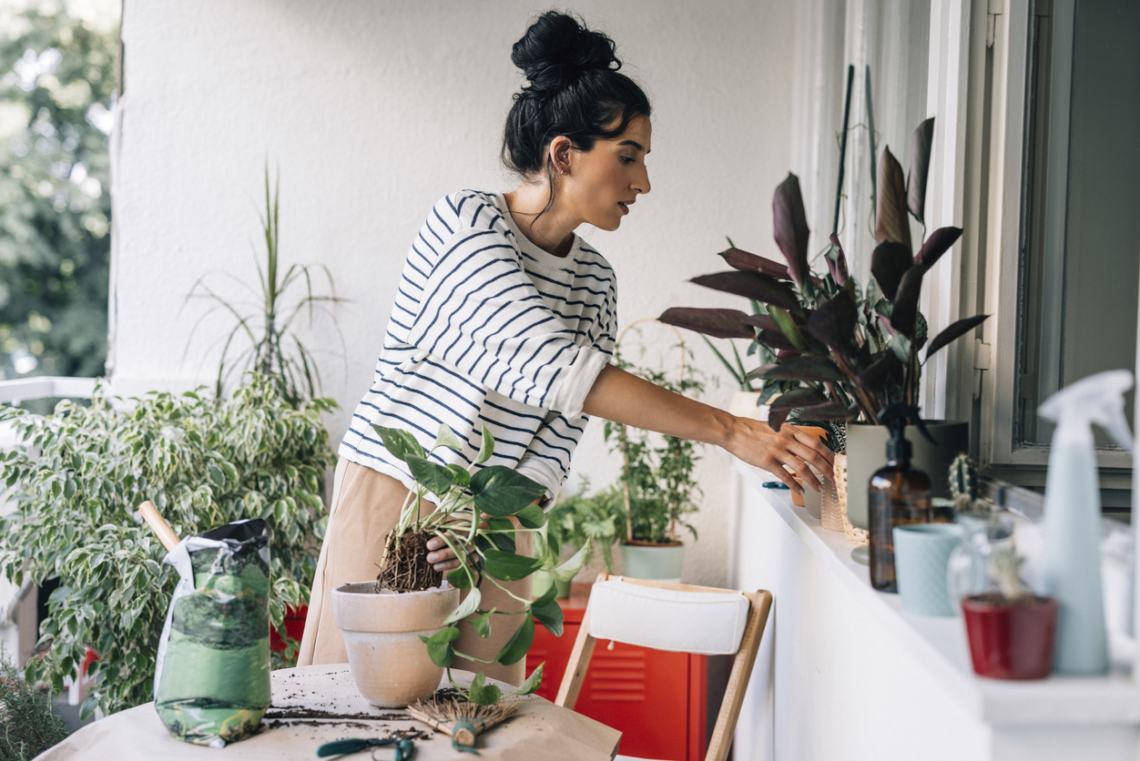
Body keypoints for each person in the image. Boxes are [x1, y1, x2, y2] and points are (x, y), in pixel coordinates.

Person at [297, 10, 833, 683]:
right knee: (350, 711)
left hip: (496, 521)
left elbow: (556, 436)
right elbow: (557, 369)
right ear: (562, 153)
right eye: (628, 157)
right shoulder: (466, 226)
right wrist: (729, 430)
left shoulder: (595, 281)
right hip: (399, 498)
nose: (642, 183)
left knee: (479, 723)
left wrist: (490, 524)